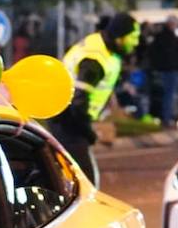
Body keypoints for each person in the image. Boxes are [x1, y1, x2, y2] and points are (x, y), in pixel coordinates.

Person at [58, 11, 140, 182]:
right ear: (120, 37)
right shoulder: (95, 59)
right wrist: (89, 133)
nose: (136, 42)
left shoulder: (101, 44)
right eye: (133, 37)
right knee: (85, 181)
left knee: (73, 176)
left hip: (68, 116)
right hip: (68, 119)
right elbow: (79, 100)